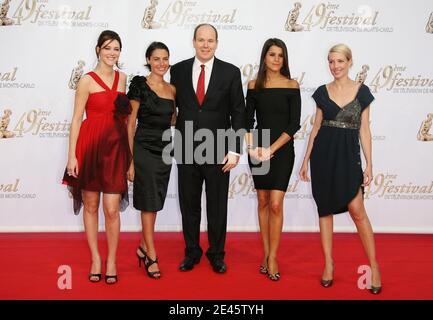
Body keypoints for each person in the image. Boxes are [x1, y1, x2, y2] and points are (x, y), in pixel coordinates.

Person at [299, 44, 382, 294]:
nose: (335, 66)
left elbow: (365, 131)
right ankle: (328, 264)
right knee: (324, 210)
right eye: (331, 62)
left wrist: (370, 163)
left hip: (348, 156)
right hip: (323, 156)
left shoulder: (362, 92)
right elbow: (315, 128)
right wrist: (305, 160)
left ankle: (375, 267)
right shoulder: (322, 92)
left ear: (349, 62)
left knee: (357, 211)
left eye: (340, 61)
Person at [170, 23, 246, 273]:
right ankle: (191, 252)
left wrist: (235, 150)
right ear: (193, 42)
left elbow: (238, 113)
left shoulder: (231, 72)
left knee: (217, 205)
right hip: (186, 148)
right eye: (201, 40)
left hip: (219, 150)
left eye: (210, 40)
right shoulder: (178, 70)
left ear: (217, 43)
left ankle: (216, 253)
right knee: (188, 205)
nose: (205, 45)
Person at [62, 30, 131, 285]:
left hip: (115, 150)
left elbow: (125, 121)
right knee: (90, 206)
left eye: (116, 49)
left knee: (111, 209)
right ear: (98, 50)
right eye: (108, 48)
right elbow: (77, 120)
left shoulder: (123, 79)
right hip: (89, 149)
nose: (112, 53)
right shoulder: (86, 81)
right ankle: (96, 259)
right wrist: (72, 156)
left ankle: (111, 259)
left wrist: (129, 157)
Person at [245, 38, 301, 281]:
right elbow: (247, 122)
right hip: (258, 149)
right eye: (272, 54)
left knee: (276, 203)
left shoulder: (292, 84)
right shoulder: (253, 85)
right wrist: (252, 148)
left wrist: (272, 149)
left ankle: (273, 256)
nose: (277, 59)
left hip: (282, 150)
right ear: (264, 57)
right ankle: (266, 253)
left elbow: (294, 123)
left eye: (281, 55)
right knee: (263, 200)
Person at [126, 42, 176, 279]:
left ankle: (143, 246)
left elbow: (173, 119)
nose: (161, 63)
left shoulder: (172, 89)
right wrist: (131, 160)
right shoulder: (139, 85)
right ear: (148, 60)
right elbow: (130, 123)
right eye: (156, 59)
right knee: (148, 202)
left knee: (154, 201)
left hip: (165, 150)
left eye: (165, 59)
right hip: (143, 148)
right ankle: (151, 255)